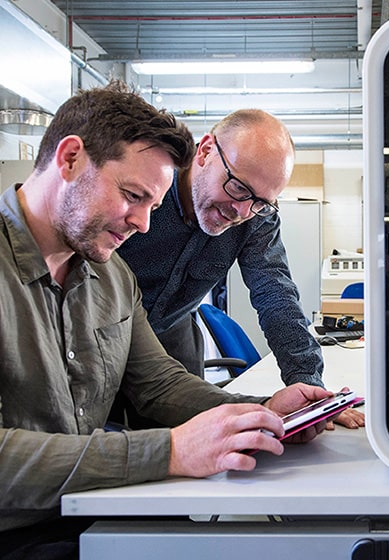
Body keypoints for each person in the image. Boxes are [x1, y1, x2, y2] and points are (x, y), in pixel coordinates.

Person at [0, 81, 337, 559]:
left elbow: (158, 384)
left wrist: (265, 413)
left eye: (153, 207)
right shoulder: (93, 251)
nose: (142, 223)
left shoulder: (109, 273)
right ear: (70, 159)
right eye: (133, 196)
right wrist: (171, 451)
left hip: (88, 504)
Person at [116, 109, 364, 430]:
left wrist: (307, 388)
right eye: (237, 187)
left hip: (174, 357)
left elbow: (276, 296)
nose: (242, 211)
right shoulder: (147, 191)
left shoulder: (256, 217)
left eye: (261, 201)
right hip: (102, 344)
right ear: (205, 151)